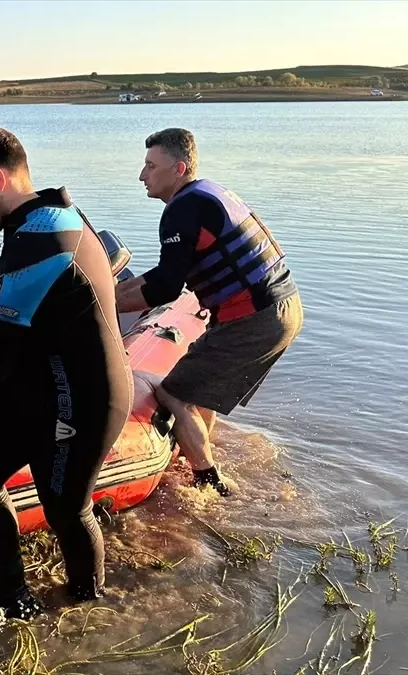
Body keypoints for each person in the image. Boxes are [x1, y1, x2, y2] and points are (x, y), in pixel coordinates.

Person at [0, 127, 133, 618]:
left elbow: (0, 346)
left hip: (86, 397)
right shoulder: (47, 212)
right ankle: (12, 596)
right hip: (41, 385)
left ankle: (88, 607)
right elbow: (25, 261)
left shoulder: (44, 232)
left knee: (65, 507)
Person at [114, 128, 304, 497]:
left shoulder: (182, 208)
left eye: (150, 166)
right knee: (196, 389)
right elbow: (166, 274)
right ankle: (200, 455)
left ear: (178, 168)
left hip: (256, 318)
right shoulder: (206, 194)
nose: (142, 175)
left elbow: (167, 289)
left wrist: (107, 304)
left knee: (173, 393)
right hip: (283, 307)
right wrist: (113, 292)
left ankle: (208, 484)